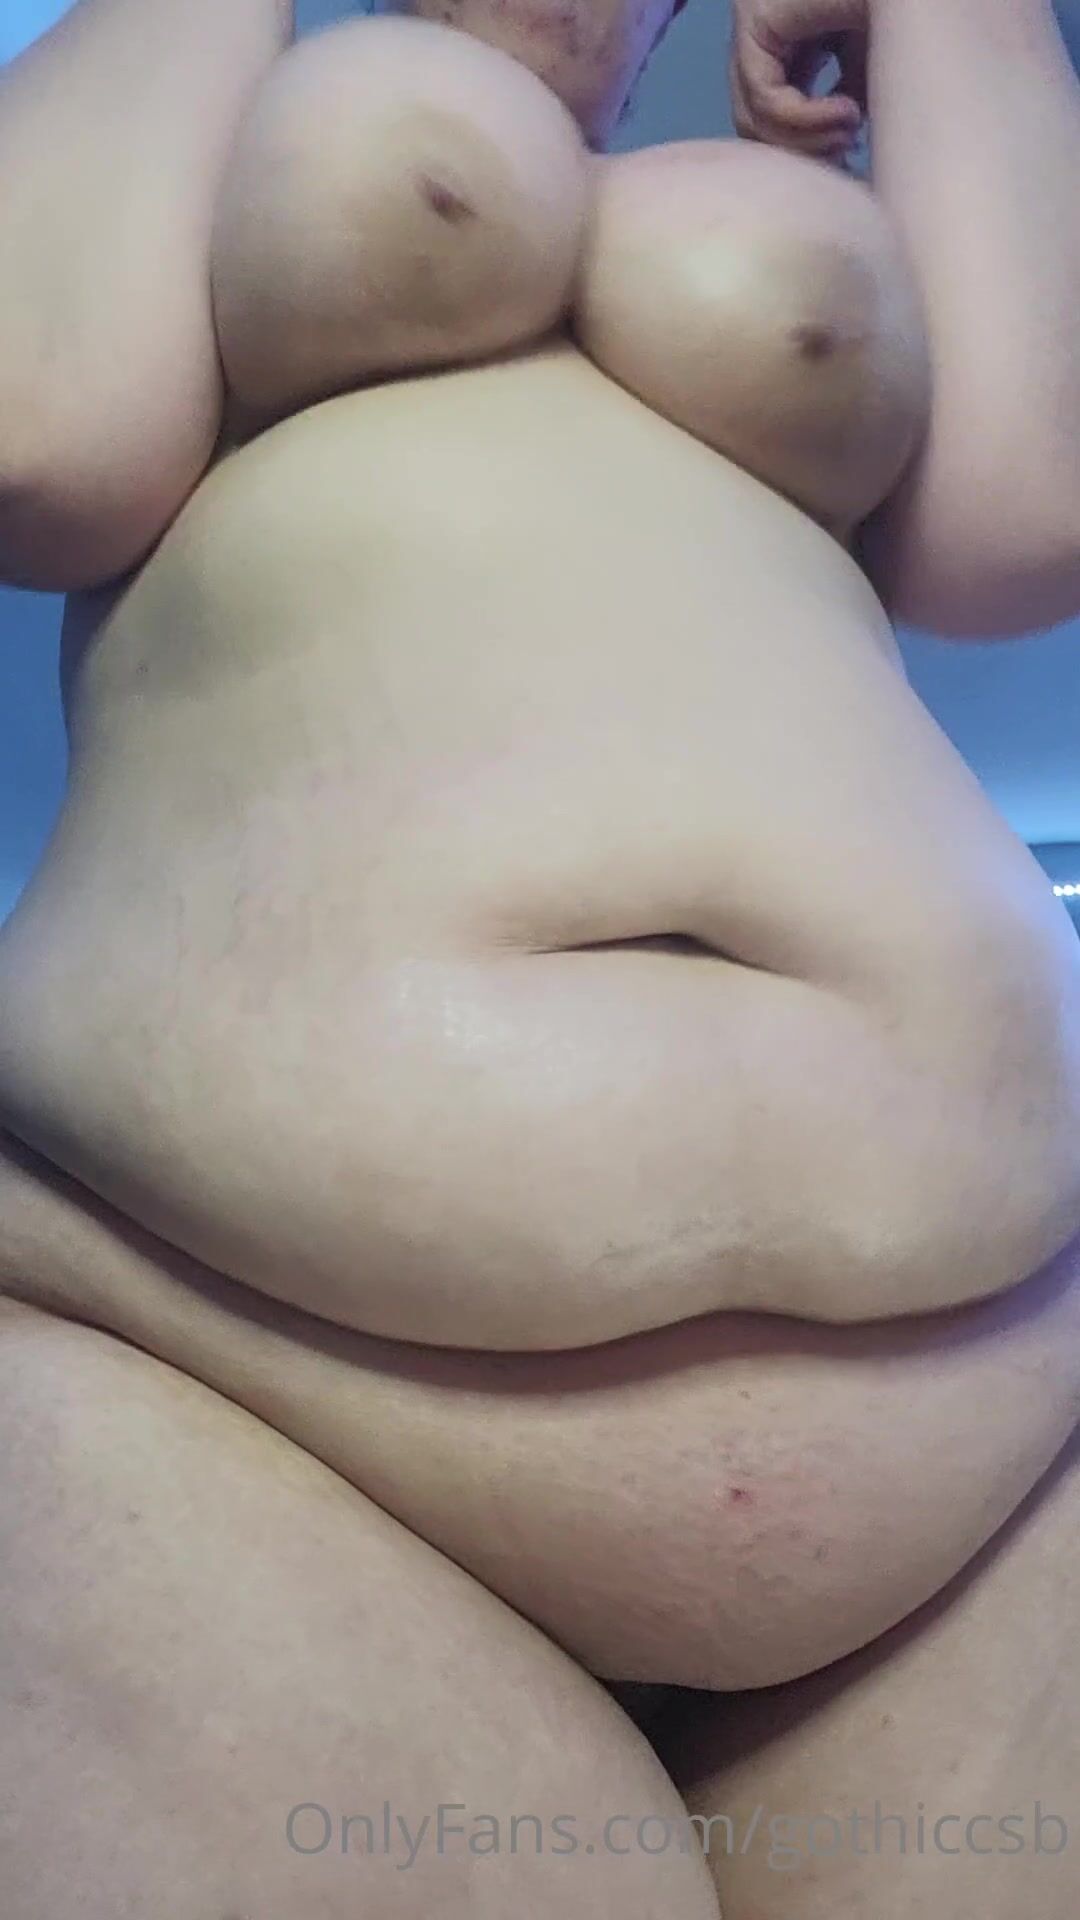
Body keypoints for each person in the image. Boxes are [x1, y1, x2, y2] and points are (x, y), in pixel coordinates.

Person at [0, 0, 1079, 1912]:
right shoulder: (208, 176)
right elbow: (35, 420)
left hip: (1004, 1393)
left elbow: (1031, 514)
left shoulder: (754, 210)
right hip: (211, 1369)